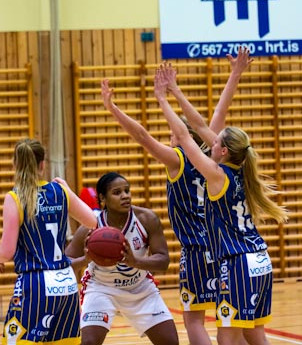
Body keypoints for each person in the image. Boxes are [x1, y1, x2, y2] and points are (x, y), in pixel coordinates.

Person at [100, 47, 252, 345]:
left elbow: (142, 136)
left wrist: (113, 109)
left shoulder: (178, 160)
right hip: (223, 249)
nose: (171, 136)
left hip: (196, 251)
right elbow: (218, 114)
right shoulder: (213, 158)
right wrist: (235, 74)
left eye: (173, 132)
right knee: (235, 325)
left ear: (181, 136)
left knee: (194, 320)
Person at [155, 66, 289, 345]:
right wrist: (176, 90)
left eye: (215, 142)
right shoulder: (243, 172)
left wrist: (163, 99)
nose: (210, 140)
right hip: (260, 259)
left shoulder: (217, 175)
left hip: (238, 261)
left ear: (223, 150)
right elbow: (201, 126)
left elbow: (186, 136)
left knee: (226, 339)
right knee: (255, 336)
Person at [0, 138, 97, 345]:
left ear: (15, 164)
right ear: (42, 164)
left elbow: (7, 251)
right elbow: (92, 221)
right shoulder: (60, 191)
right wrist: (69, 191)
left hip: (35, 284)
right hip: (66, 284)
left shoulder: (15, 197)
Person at [66, 172, 179, 345]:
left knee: (170, 342)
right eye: (117, 192)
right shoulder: (91, 226)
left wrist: (135, 262)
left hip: (140, 288)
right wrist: (85, 259)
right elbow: (64, 264)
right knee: (89, 342)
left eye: (127, 190)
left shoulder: (146, 219)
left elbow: (163, 261)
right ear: (102, 198)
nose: (125, 196)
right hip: (101, 288)